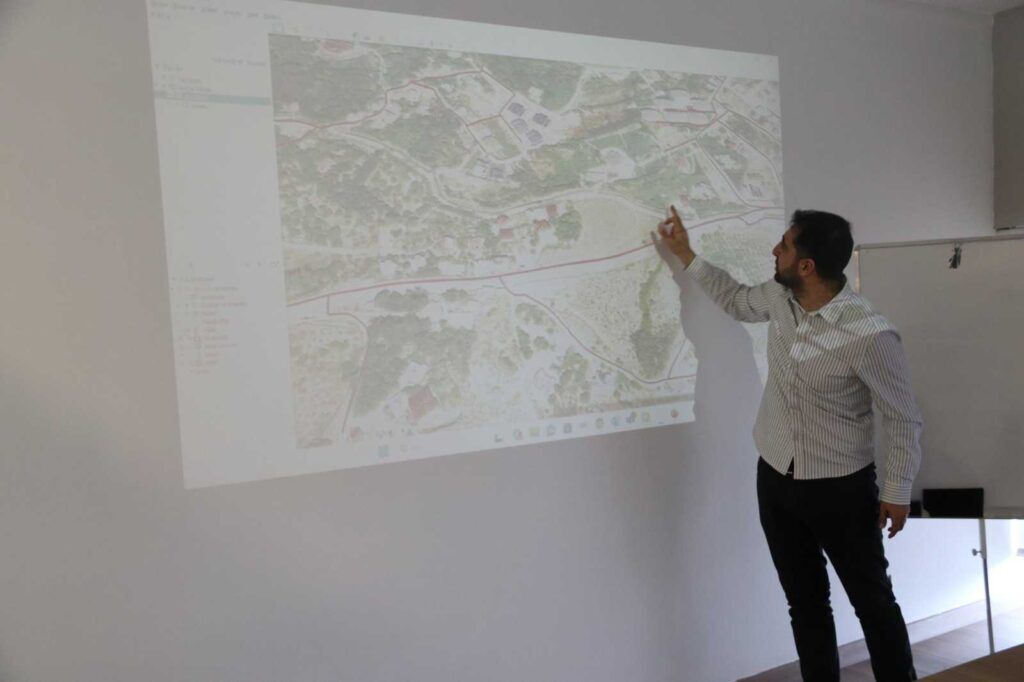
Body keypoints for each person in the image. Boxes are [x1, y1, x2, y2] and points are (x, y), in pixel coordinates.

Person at [656, 206, 922, 682]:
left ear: (807, 266)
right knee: (805, 604)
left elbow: (902, 417)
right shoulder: (780, 298)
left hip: (841, 490)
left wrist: (897, 490)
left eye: (784, 245)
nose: (774, 250)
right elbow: (736, 300)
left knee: (873, 603)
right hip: (776, 478)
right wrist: (686, 255)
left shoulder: (870, 333)